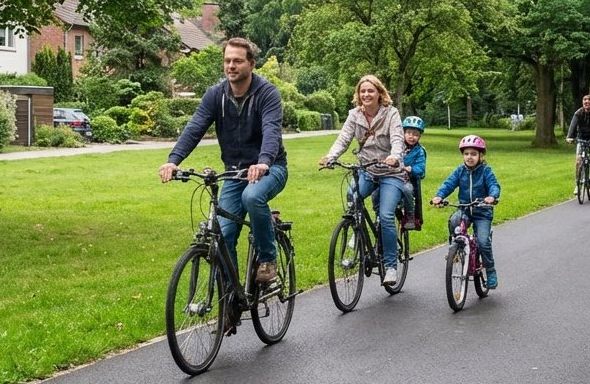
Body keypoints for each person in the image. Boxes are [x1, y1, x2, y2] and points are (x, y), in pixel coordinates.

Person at [159, 38, 288, 285]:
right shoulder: (215, 95)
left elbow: (272, 131)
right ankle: (231, 303)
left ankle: (267, 259)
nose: (231, 65)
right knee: (223, 235)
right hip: (234, 173)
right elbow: (195, 128)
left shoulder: (267, 93)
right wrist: (173, 160)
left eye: (238, 61)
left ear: (251, 64)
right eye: (227, 60)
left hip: (271, 168)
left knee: (252, 197)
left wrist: (263, 162)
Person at [318, 74, 407, 286]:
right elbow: (343, 139)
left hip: (390, 173)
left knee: (385, 216)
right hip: (366, 169)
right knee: (352, 196)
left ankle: (391, 266)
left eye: (370, 91)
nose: (366, 95)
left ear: (379, 94)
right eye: (362, 91)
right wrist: (331, 157)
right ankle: (357, 237)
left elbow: (397, 139)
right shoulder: (354, 115)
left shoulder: (391, 114)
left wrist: (394, 157)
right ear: (358, 94)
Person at [430, 134, 502, 289]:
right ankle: (455, 250)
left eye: (474, 154)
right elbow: (449, 184)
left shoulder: (485, 171)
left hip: (482, 212)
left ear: (481, 155)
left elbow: (494, 185)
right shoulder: (460, 171)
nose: (469, 157)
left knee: (483, 242)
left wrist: (492, 196)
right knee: (454, 221)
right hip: (465, 210)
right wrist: (439, 196)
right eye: (466, 154)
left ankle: (490, 271)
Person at [566, 94, 590, 179]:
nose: (586, 101)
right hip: (581, 137)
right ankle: (577, 184)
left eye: (588, 100)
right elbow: (573, 125)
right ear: (582, 102)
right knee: (578, 161)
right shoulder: (578, 112)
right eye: (584, 100)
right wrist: (569, 137)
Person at [398, 116, 427, 230]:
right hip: (392, 176)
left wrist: (412, 169)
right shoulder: (396, 145)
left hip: (407, 179)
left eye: (415, 134)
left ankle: (410, 216)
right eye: (409, 133)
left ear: (420, 136)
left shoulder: (419, 151)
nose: (412, 136)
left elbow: (421, 169)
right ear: (403, 133)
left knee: (408, 190)